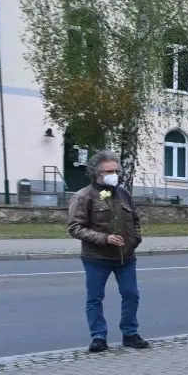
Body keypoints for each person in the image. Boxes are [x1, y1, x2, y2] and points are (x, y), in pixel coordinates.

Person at [67, 150, 148, 353]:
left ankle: (130, 333)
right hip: (97, 258)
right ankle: (98, 337)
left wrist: (135, 239)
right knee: (95, 298)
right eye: (109, 171)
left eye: (116, 170)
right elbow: (75, 228)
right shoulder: (83, 196)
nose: (114, 174)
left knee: (131, 295)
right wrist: (105, 238)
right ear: (96, 173)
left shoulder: (123, 194)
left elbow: (135, 221)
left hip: (126, 257)